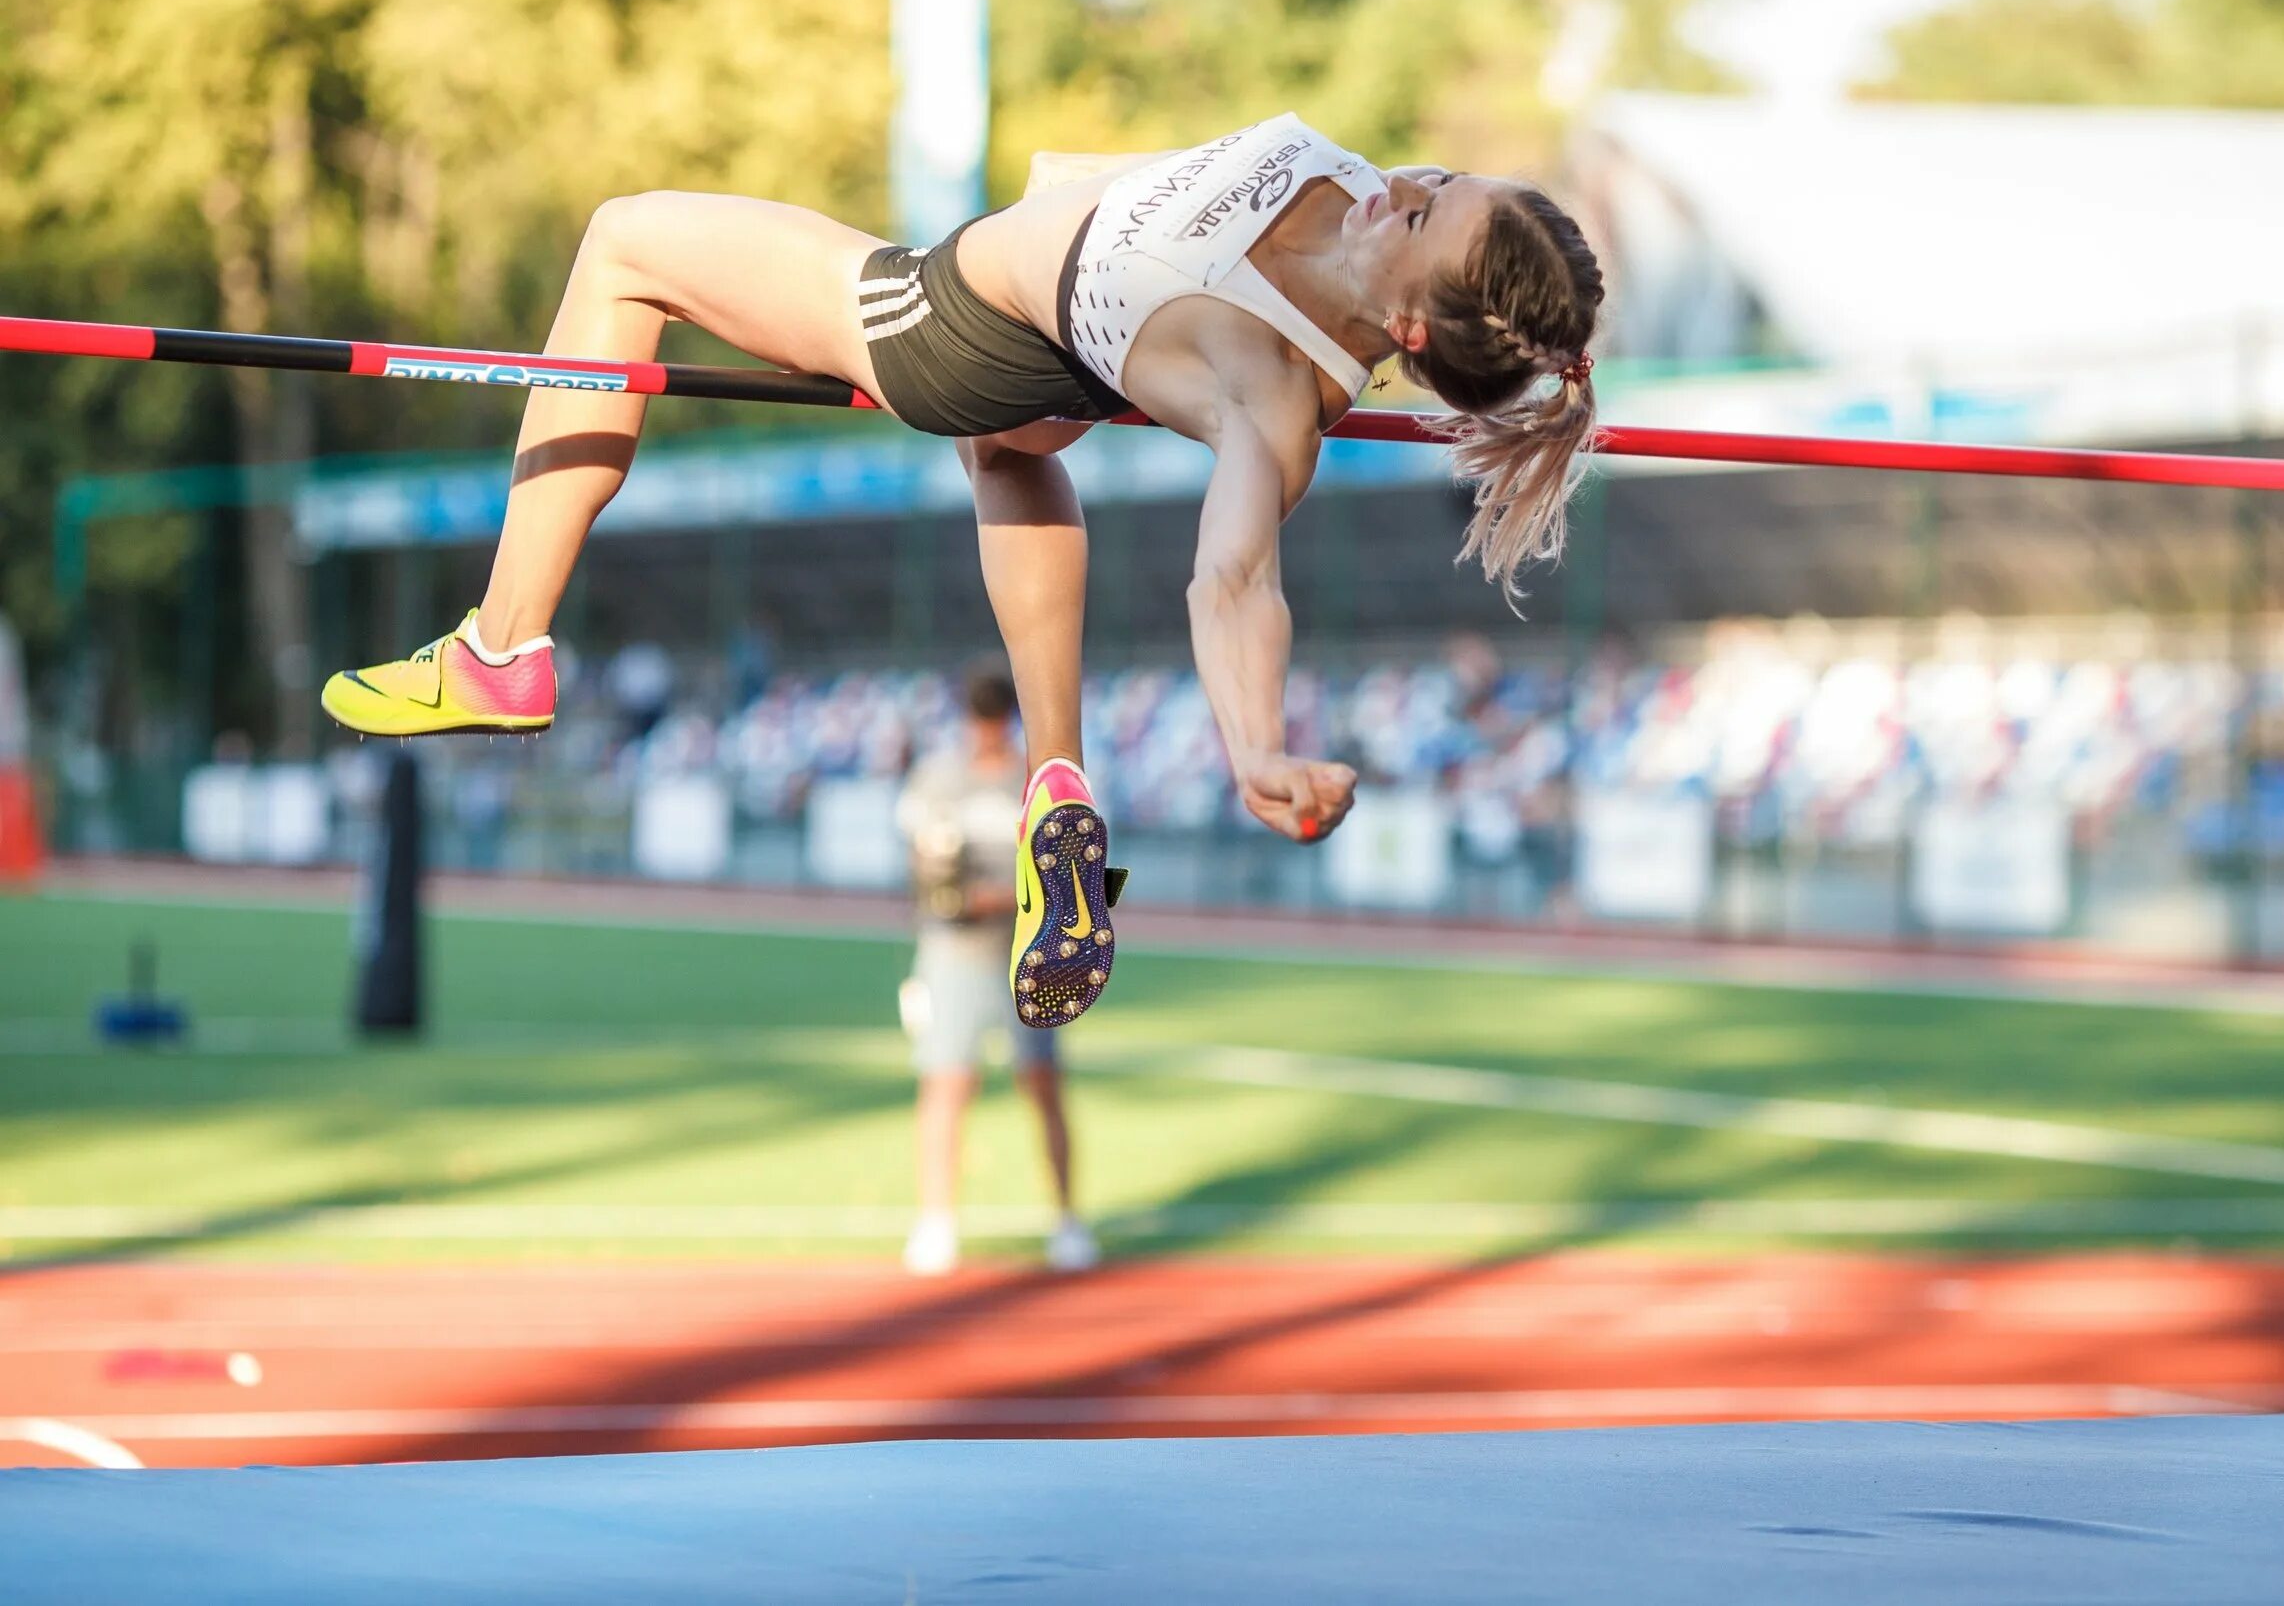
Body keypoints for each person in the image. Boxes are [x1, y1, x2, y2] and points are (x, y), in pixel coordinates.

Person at [318, 112, 1607, 1028]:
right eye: (1445, 176)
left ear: (1410, 329)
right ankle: (1059, 779)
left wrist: (1254, 745)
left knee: (625, 244)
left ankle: (502, 647)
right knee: (1009, 456)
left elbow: (1234, 578)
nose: (1404, 182)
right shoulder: (1365, 217)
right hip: (1046, 353)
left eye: (1427, 211)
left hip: (933, 320)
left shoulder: (1269, 390)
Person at [896, 666, 1095, 1276]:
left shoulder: (1032, 781)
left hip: (1026, 955)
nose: (984, 733)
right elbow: (925, 871)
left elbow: (1069, 872)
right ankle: (936, 1222)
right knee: (947, 1081)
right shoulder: (938, 778)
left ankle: (1066, 1220)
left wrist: (1005, 896)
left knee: (1042, 1084)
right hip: (952, 953)